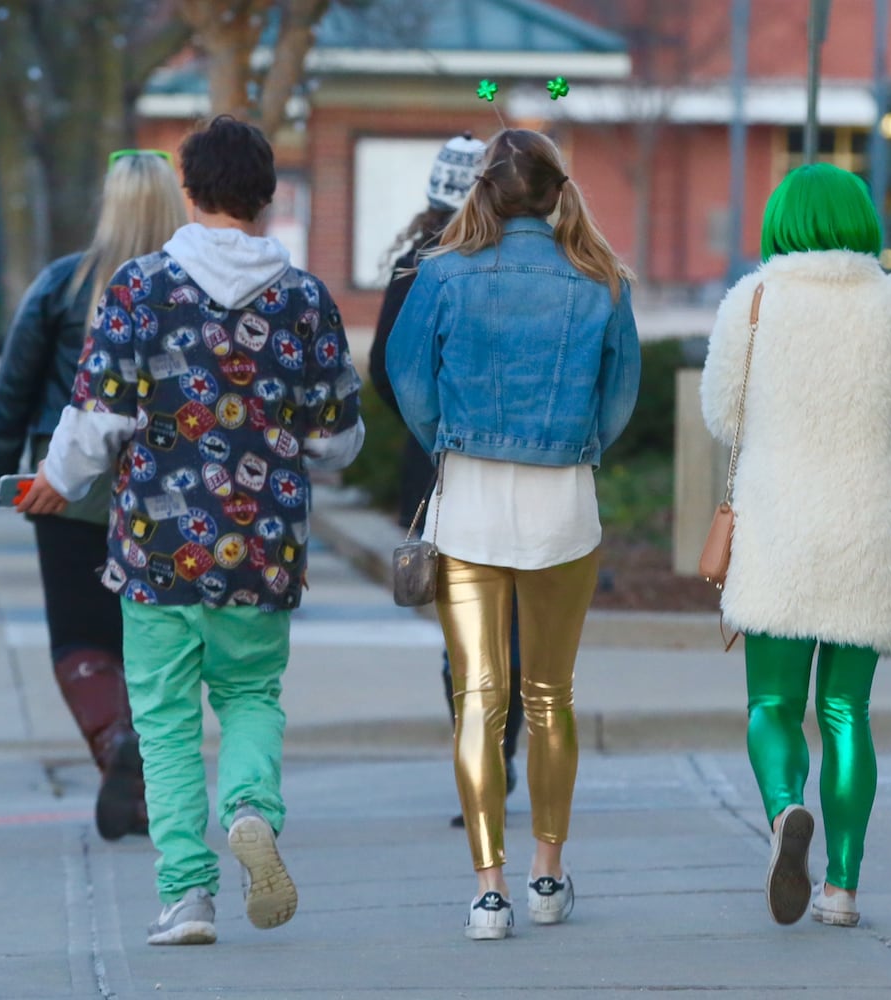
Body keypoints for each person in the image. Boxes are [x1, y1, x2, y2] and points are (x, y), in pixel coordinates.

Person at [19, 115, 365, 946]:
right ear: (267, 195)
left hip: (156, 549)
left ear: (190, 188)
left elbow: (96, 418)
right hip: (266, 549)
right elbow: (337, 440)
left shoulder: (139, 288)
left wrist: (52, 484)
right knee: (250, 693)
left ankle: (187, 894)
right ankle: (250, 804)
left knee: (166, 717)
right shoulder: (305, 298)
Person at [387, 128, 640, 940]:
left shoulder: (442, 272)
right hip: (564, 501)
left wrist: (447, 441)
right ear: (558, 190)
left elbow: (405, 374)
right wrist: (581, 445)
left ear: (485, 192)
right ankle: (547, 873)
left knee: (478, 701)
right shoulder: (601, 279)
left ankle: (488, 892)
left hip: (470, 500)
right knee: (551, 697)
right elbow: (621, 391)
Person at [698, 162, 891, 929]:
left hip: (780, 527)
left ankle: (783, 812)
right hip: (865, 526)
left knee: (772, 703)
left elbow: (720, 414)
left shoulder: (754, 300)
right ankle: (841, 887)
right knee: (845, 712)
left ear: (781, 222)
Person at [0, 150, 189, 841]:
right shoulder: (193, 287)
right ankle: (152, 784)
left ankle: (113, 749)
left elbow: (15, 383)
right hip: (171, 488)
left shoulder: (64, 285)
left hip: (66, 485)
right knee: (155, 642)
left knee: (79, 639)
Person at [367, 132, 524, 827]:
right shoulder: (516, 263)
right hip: (526, 464)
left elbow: (384, 368)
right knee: (515, 622)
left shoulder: (419, 265)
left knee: (461, 629)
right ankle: (504, 749)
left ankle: (479, 750)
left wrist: (433, 425)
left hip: (439, 471)